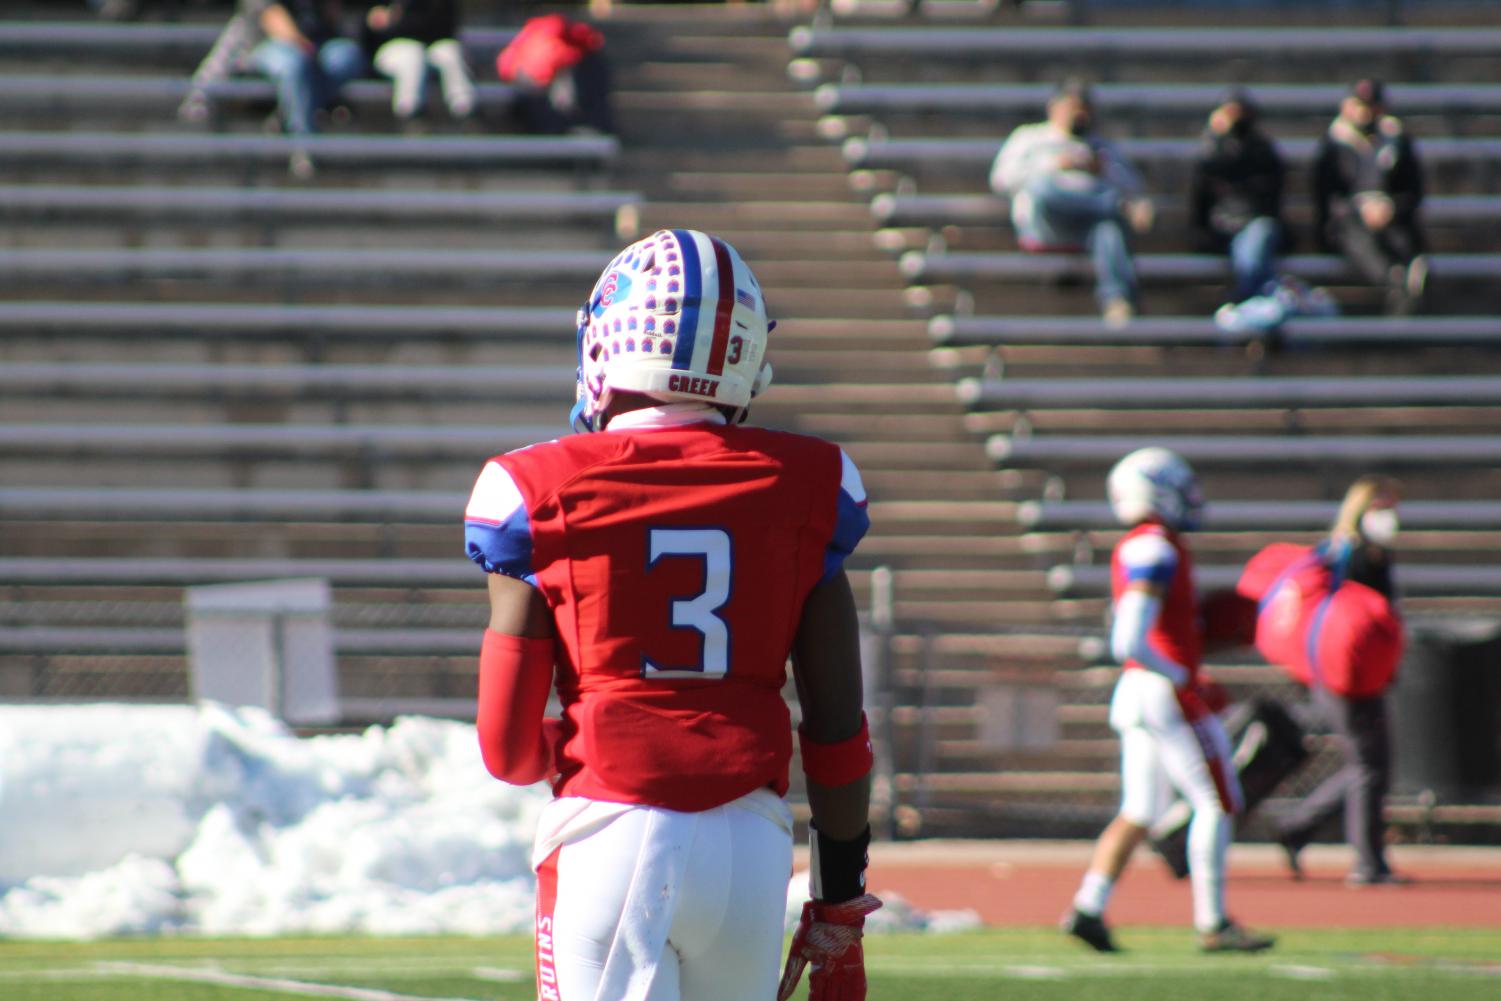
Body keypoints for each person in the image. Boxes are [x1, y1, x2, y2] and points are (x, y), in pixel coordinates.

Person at [463, 229, 880, 1001]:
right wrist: (840, 902)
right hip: (750, 844)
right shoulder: (811, 485)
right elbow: (836, 731)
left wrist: (592, 726)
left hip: (610, 827)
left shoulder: (532, 488)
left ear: (606, 340)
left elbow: (509, 751)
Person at [1062, 447, 1275, 954]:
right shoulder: (1154, 547)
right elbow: (1128, 640)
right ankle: (1214, 922)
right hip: (1160, 688)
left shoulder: (1151, 545)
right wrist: (1186, 676)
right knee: (1220, 802)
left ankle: (1088, 908)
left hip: (1141, 689)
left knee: (1141, 808)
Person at [1274, 475, 1407, 887]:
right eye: (1382, 507)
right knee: (1369, 766)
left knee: (1368, 765)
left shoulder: (1371, 554)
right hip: (1343, 673)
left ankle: (1298, 827)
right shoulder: (1346, 555)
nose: (1391, 517)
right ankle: (1367, 862)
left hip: (1363, 672)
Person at [990, 78, 1155, 326]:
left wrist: (1103, 170)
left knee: (1108, 229)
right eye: (1072, 106)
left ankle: (1118, 302)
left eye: (1083, 108)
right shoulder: (1030, 138)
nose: (1078, 114)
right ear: (1054, 108)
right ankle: (1114, 206)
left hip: (1087, 226)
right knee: (1042, 187)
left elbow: (1135, 185)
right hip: (1047, 220)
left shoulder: (1101, 147)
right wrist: (1054, 165)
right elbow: (1001, 179)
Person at [1314, 79, 1428, 314]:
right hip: (1347, 224)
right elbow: (1326, 198)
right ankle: (1395, 283)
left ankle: (1408, 276)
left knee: (1401, 237)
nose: (1364, 112)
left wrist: (1390, 207)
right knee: (1354, 232)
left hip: (1391, 220)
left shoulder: (1398, 142)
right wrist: (1361, 209)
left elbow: (1413, 191)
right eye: (1358, 104)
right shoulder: (1332, 146)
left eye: (1370, 105)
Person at [242, 0, 368, 177]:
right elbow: (270, 14)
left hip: (320, 44)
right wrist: (301, 43)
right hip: (273, 44)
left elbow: (332, 16)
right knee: (295, 65)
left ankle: (286, 112)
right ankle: (304, 146)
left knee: (348, 56)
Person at [1190, 87, 1287, 303]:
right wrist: (1216, 137)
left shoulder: (1262, 148)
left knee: (1253, 251)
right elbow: (1204, 183)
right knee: (1251, 259)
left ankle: (1246, 306)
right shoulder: (1213, 147)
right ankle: (1254, 309)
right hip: (1223, 225)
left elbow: (1269, 190)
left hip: (1254, 220)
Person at [361, 0, 476, 128]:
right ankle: (410, 115)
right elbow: (368, 28)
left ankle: (466, 112)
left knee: (450, 51)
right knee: (412, 54)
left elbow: (445, 27)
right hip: (393, 50)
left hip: (434, 47)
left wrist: (399, 19)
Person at [495, 13, 614, 135]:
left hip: (533, 81)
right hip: (536, 86)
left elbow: (505, 64)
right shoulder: (554, 42)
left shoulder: (532, 35)